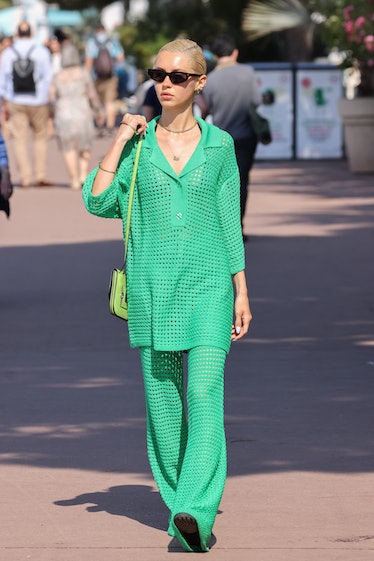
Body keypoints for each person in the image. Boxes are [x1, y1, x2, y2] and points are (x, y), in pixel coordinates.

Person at [82, 39, 252, 553]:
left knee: (202, 397)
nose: (166, 84)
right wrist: (118, 140)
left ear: (200, 83)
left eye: (178, 76)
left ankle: (195, 510)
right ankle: (182, 502)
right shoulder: (138, 146)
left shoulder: (220, 146)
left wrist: (241, 290)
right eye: (159, 74)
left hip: (209, 287)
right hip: (153, 290)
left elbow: (229, 223)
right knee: (164, 407)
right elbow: (96, 201)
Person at [201, 34, 262, 234]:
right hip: (246, 136)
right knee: (242, 181)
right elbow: (257, 101)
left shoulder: (209, 80)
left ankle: (222, 228)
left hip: (220, 138)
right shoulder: (249, 73)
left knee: (220, 184)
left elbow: (204, 109)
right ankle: (238, 227)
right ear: (235, 52)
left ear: (216, 55)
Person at [0, 20, 53, 188]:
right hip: (38, 101)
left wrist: (5, 100)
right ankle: (40, 175)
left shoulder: (9, 53)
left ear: (17, 34)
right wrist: (44, 97)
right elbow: (48, 77)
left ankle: (24, 177)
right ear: (31, 33)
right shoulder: (41, 51)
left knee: (20, 139)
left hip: (16, 101)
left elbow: (3, 79)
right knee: (40, 138)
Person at [49, 44, 104, 189]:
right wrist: (99, 112)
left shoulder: (57, 76)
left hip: (63, 113)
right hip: (83, 112)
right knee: (85, 146)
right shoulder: (83, 73)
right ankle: (83, 175)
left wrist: (52, 113)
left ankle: (73, 179)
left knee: (68, 148)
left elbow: (51, 97)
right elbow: (92, 95)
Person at [84, 21, 125, 136]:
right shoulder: (112, 42)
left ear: (96, 31)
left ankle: (100, 125)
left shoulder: (92, 43)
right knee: (109, 102)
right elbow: (121, 58)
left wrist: (86, 77)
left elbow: (88, 62)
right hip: (111, 77)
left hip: (96, 77)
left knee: (97, 102)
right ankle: (110, 127)